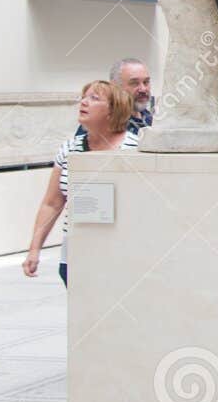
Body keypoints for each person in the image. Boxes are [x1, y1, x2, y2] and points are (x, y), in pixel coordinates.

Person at [24, 80, 141, 286]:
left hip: (120, 250)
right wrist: (34, 249)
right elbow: (52, 203)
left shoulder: (135, 148)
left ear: (113, 111)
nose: (84, 102)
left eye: (94, 98)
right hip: (75, 250)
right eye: (84, 97)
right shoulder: (69, 148)